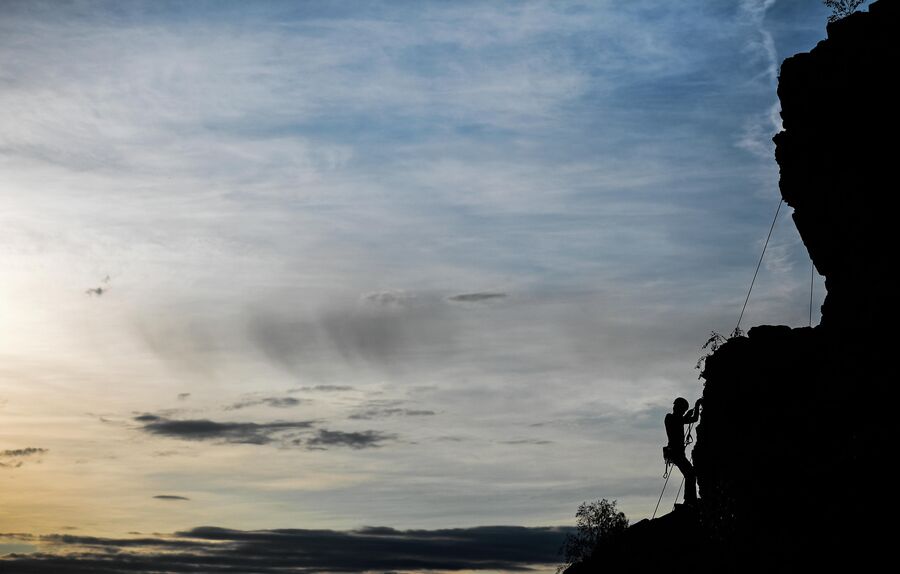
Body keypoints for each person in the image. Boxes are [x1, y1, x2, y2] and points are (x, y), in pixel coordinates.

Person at [665, 397, 702, 504]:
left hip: (677, 453)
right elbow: (679, 420)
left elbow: (694, 419)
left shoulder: (678, 419)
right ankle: (690, 500)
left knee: (690, 474)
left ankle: (690, 499)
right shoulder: (670, 418)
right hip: (675, 453)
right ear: (678, 408)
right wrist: (696, 405)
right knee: (690, 474)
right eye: (683, 410)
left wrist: (695, 408)